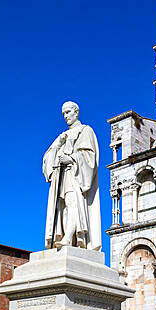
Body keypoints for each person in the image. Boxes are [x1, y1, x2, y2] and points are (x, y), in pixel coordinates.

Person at [43, 101, 101, 251]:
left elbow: (90, 157)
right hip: (61, 177)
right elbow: (47, 158)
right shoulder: (62, 136)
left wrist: (72, 158)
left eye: (68, 112)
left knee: (72, 202)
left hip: (75, 174)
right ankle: (68, 238)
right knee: (65, 208)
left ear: (76, 112)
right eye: (63, 113)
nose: (65, 116)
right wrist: (57, 146)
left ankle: (69, 237)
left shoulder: (85, 131)